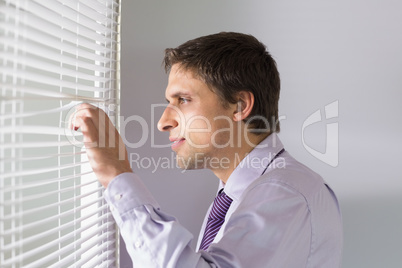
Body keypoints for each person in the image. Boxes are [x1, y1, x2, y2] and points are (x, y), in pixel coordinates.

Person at [71, 32, 343, 267]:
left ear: (239, 106)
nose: (163, 121)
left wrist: (117, 175)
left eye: (184, 99)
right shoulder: (240, 193)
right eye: (169, 101)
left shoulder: (285, 194)